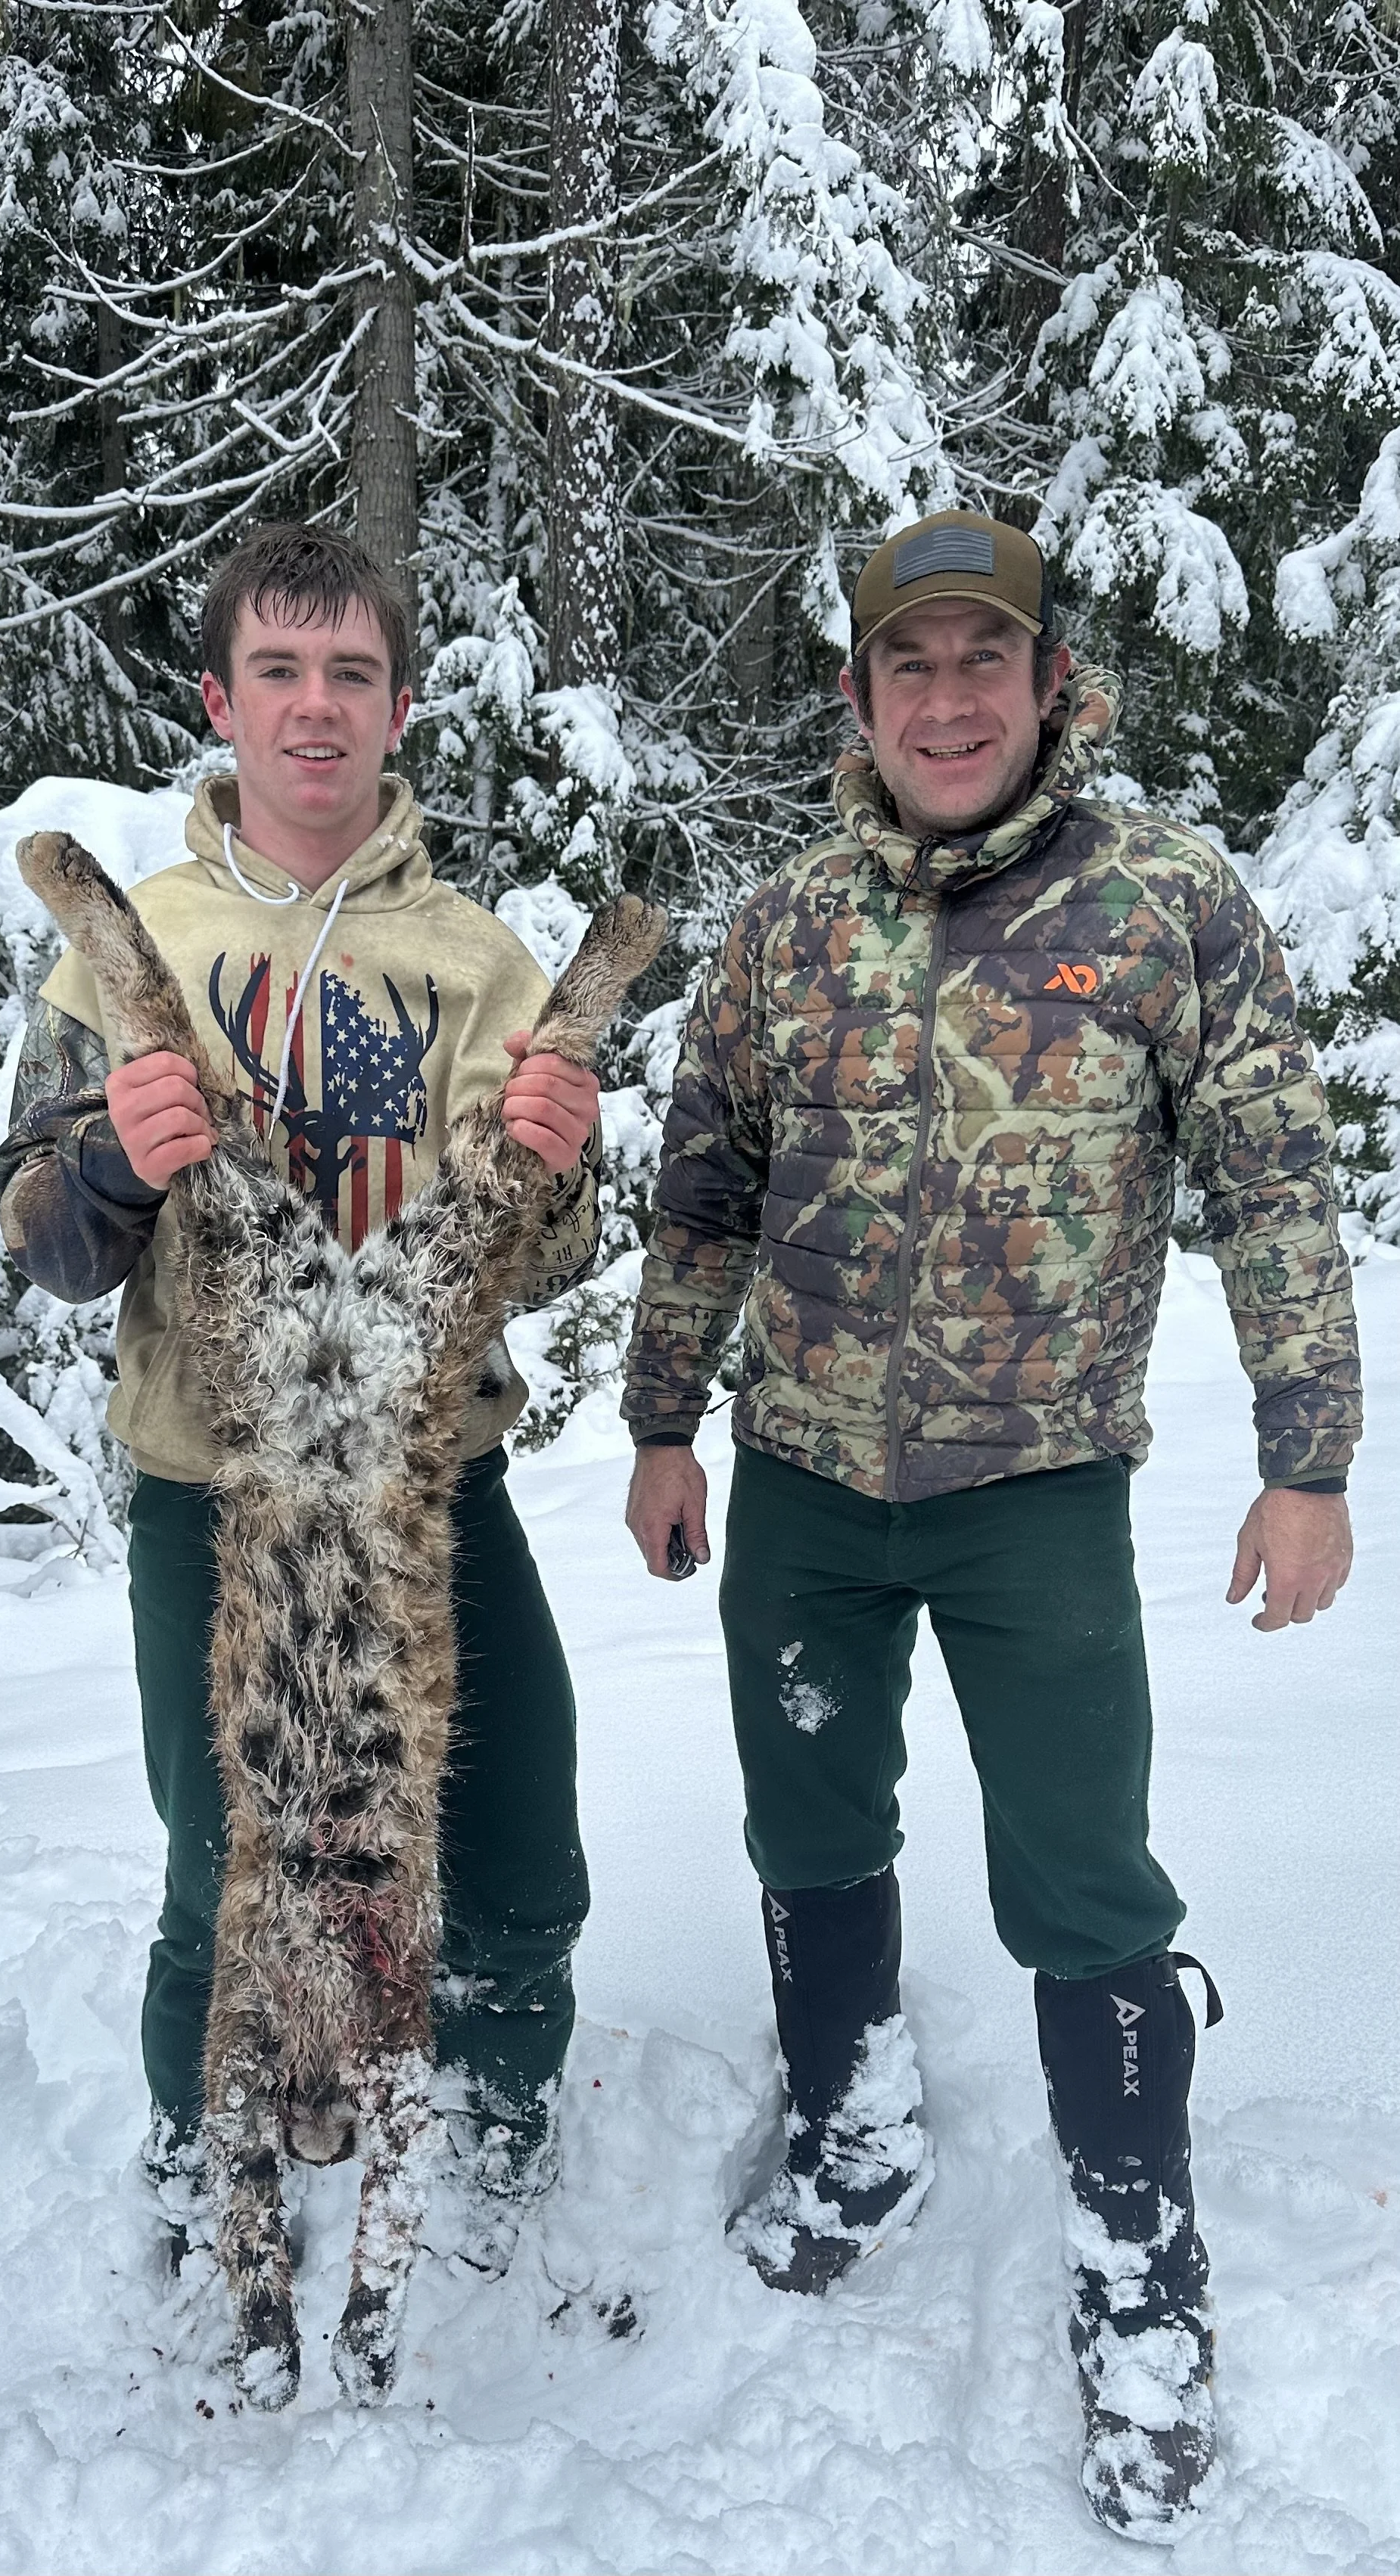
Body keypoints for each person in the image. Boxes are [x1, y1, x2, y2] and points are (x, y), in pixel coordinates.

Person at [621, 509, 1361, 2538]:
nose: (947, 699)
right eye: (907, 666)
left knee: (1083, 1875)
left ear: (1047, 683)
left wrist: (1309, 1458)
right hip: (800, 1486)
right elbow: (698, 1193)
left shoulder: (1162, 906)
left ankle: (1138, 2258)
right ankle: (850, 2124)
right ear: (856, 699)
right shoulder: (778, 928)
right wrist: (661, 1424)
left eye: (984, 660)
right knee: (806, 1817)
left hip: (1031, 1493)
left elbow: (1275, 1184)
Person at [0, 521, 602, 2280]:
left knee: (515, 1859)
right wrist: (110, 1159)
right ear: (220, 698)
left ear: (399, 705)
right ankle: (200, 2164)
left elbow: (545, 1249)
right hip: (215, 1488)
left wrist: (556, 1180)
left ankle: (492, 2144)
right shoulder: (143, 942)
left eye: (350, 675)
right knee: (223, 1873)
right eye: (279, 670)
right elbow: (36, 1234)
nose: (315, 708)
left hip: (428, 1490)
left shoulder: (477, 956)